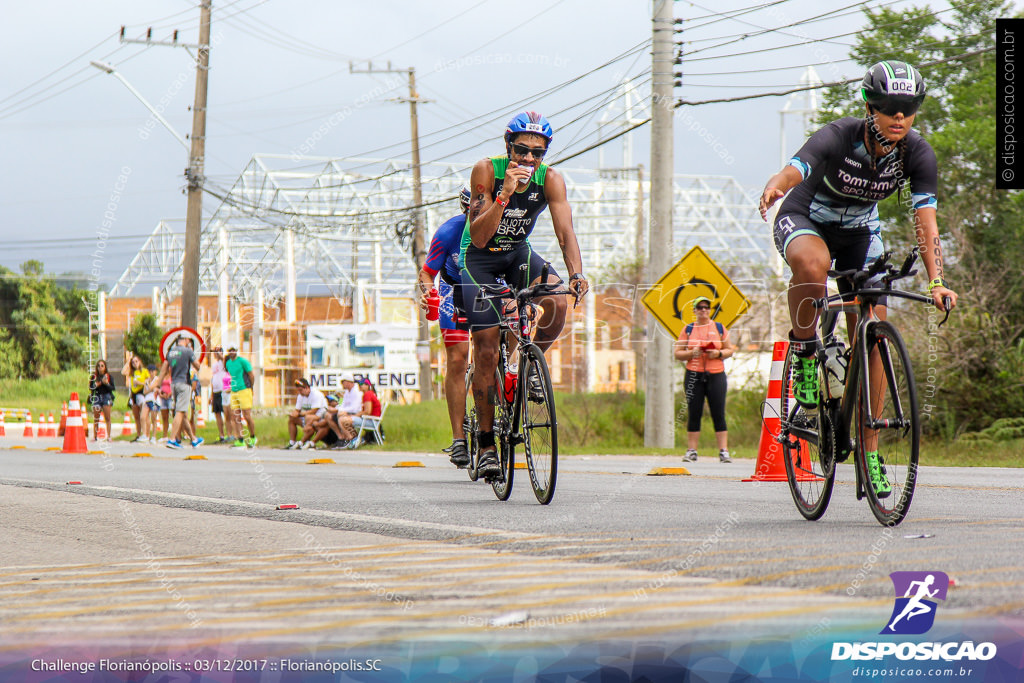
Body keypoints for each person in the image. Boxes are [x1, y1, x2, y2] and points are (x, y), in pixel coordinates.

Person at [759, 60, 957, 496]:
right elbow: (800, 166)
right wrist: (778, 183)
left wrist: (936, 281)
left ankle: (869, 454)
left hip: (860, 234)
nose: (899, 116)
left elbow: (927, 223)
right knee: (812, 266)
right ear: (870, 105)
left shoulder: (917, 153)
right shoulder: (839, 135)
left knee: (875, 334)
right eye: (890, 106)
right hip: (806, 219)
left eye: (908, 107)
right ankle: (808, 355)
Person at [460, 111, 589, 479]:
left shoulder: (551, 180)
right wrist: (504, 194)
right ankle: (486, 444)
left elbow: (565, 232)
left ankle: (524, 364)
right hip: (479, 261)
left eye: (538, 152)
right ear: (508, 146)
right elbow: (481, 237)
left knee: (557, 302)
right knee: (485, 346)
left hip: (518, 254)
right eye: (522, 150)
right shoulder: (487, 170)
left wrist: (576, 273)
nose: (530, 159)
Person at [417, 185, 473, 467]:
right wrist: (430, 293)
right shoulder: (450, 231)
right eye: (471, 209)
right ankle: (459, 438)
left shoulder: (507, 227)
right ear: (464, 208)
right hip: (456, 292)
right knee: (457, 359)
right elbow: (427, 272)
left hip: (491, 290)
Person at [674, 297, 736, 463]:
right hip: (694, 374)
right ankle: (692, 450)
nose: (703, 310)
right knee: (694, 412)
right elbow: (677, 353)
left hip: (716, 373)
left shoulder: (719, 327)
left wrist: (718, 353)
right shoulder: (688, 329)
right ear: (694, 310)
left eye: (706, 307)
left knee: (718, 412)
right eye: (700, 307)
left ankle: (724, 451)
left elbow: (730, 349)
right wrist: (691, 353)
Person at [158, 336, 203, 449]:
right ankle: (172, 439)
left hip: (174, 384)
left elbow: (164, 370)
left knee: (183, 414)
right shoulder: (188, 351)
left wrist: (158, 385)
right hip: (184, 383)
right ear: (185, 341)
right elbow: (197, 366)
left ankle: (193, 439)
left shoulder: (171, 352)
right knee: (180, 412)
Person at [225, 346, 257, 448]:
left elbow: (251, 375)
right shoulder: (228, 363)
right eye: (230, 350)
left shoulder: (243, 361)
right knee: (235, 416)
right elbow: (230, 376)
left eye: (233, 350)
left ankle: (252, 437)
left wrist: (251, 387)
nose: (232, 352)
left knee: (247, 415)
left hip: (244, 389)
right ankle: (240, 439)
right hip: (234, 391)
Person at [339, 378, 382, 449]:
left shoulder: (368, 394)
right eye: (359, 384)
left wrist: (354, 416)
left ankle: (354, 439)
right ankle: (355, 439)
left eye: (362, 384)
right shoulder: (369, 394)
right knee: (344, 418)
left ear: (367, 386)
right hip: (371, 420)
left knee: (342, 420)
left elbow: (367, 411)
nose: (359, 386)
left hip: (371, 421)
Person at [287, 377, 329, 450]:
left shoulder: (316, 394)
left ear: (307, 388)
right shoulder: (300, 396)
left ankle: (303, 442)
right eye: (298, 390)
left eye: (301, 390)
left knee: (309, 417)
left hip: (319, 416)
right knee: (292, 419)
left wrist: (300, 414)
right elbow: (297, 410)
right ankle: (292, 442)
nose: (299, 392)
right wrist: (293, 414)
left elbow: (314, 411)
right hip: (308, 418)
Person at [121, 354, 150, 442]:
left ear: (140, 362)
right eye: (133, 362)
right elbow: (123, 372)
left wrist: (139, 382)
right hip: (133, 395)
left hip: (141, 394)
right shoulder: (132, 372)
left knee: (144, 415)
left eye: (136, 361)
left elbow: (148, 381)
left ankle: (146, 434)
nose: (135, 364)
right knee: (136, 416)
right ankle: (139, 434)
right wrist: (129, 360)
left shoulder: (144, 371)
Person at [88, 360, 115, 441]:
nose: (100, 368)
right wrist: (99, 384)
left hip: (106, 396)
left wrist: (106, 383)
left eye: (102, 366)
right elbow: (91, 387)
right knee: (96, 417)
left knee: (107, 417)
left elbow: (113, 388)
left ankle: (109, 436)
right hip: (97, 396)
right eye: (99, 366)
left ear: (105, 367)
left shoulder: (109, 376)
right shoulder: (94, 377)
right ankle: (95, 436)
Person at [210, 348, 231, 443]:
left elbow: (225, 362)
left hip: (224, 390)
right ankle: (221, 434)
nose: (215, 354)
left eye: (216, 352)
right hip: (215, 391)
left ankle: (230, 434)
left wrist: (220, 355)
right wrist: (211, 395)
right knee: (217, 413)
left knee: (227, 414)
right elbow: (213, 379)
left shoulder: (224, 363)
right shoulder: (214, 365)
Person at [142, 364, 160, 445]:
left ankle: (154, 436)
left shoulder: (157, 379)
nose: (151, 372)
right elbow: (145, 391)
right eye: (149, 371)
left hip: (154, 400)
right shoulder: (147, 380)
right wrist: (150, 388)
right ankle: (145, 434)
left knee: (154, 419)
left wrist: (149, 387)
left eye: (152, 371)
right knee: (143, 417)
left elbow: (152, 387)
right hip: (147, 399)